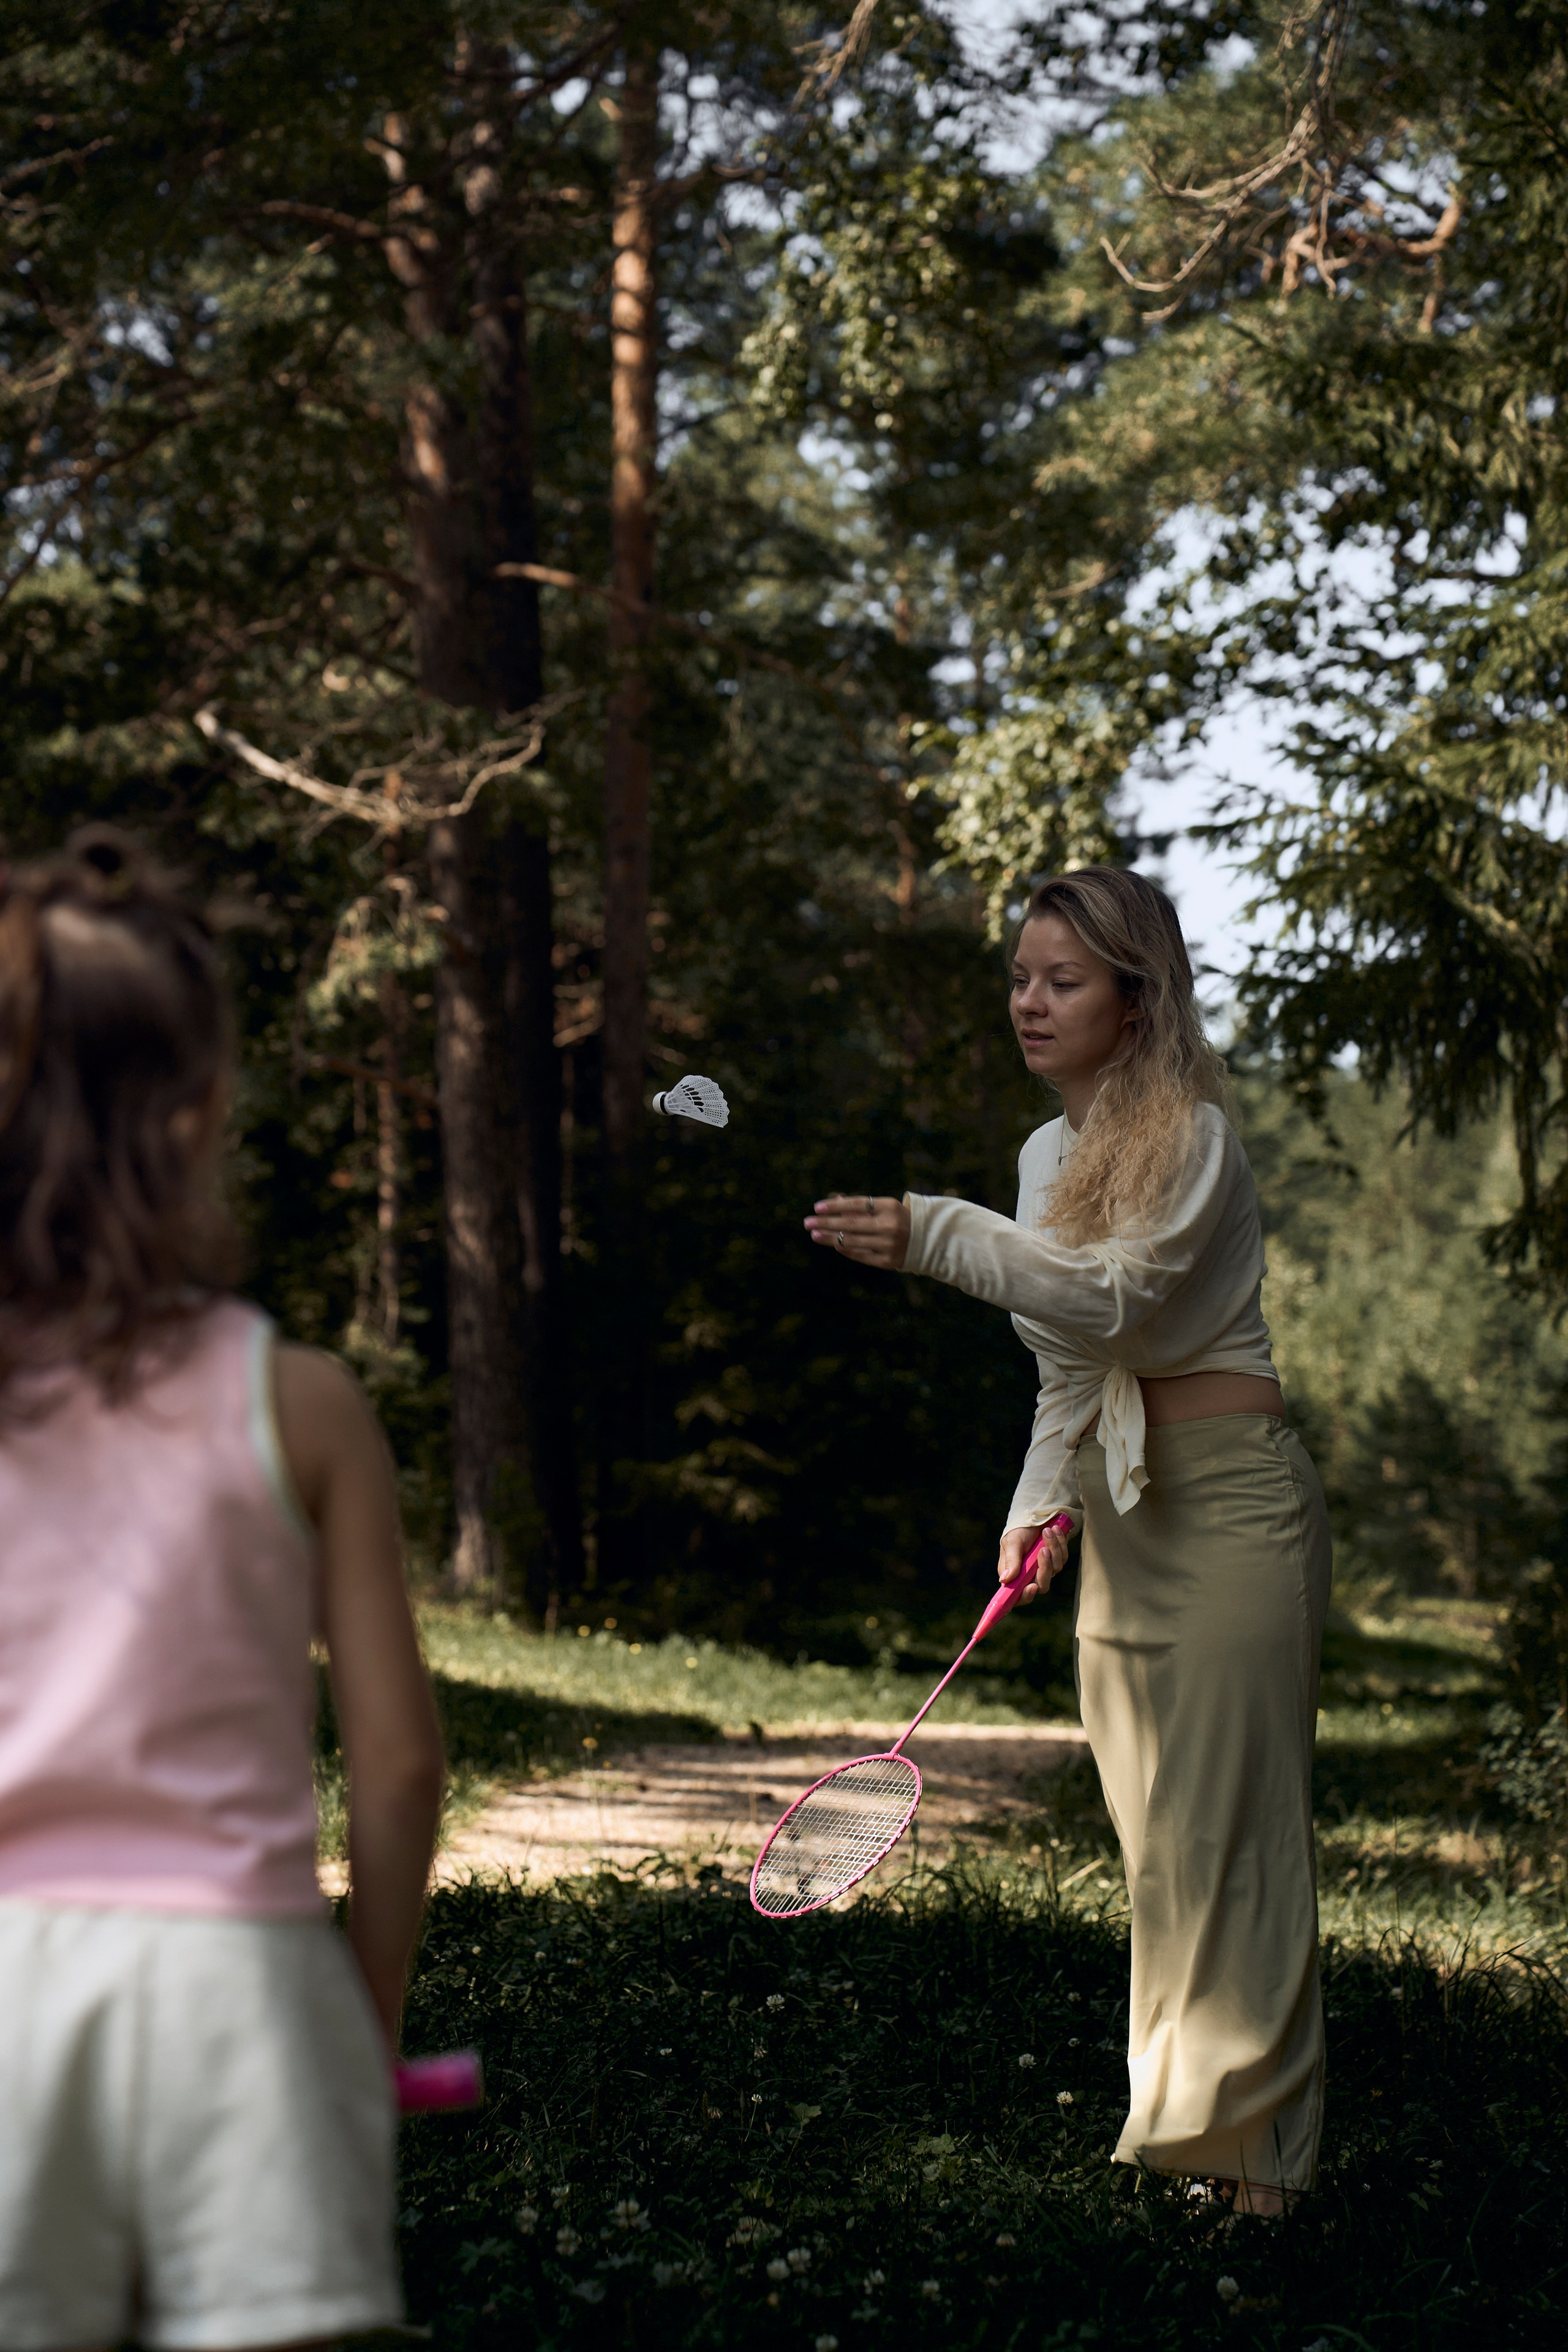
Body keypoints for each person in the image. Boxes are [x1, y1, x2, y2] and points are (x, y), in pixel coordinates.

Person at [805, 867, 1331, 2215]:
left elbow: (1113, 1296)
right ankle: (1183, 2149)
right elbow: (1065, 1366)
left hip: (1229, 1506)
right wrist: (1034, 1504)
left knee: (1231, 1839)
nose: (1028, 1004)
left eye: (1062, 981)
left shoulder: (1193, 1133)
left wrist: (935, 1234)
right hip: (1120, 1509)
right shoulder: (1046, 1158)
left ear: (1133, 998)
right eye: (1020, 978)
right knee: (1158, 1847)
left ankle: (1253, 2179)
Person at [0, 830, 445, 2348]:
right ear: (198, 1113)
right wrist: (361, 2015)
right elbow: (392, 1765)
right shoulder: (302, 1400)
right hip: (240, 2001)